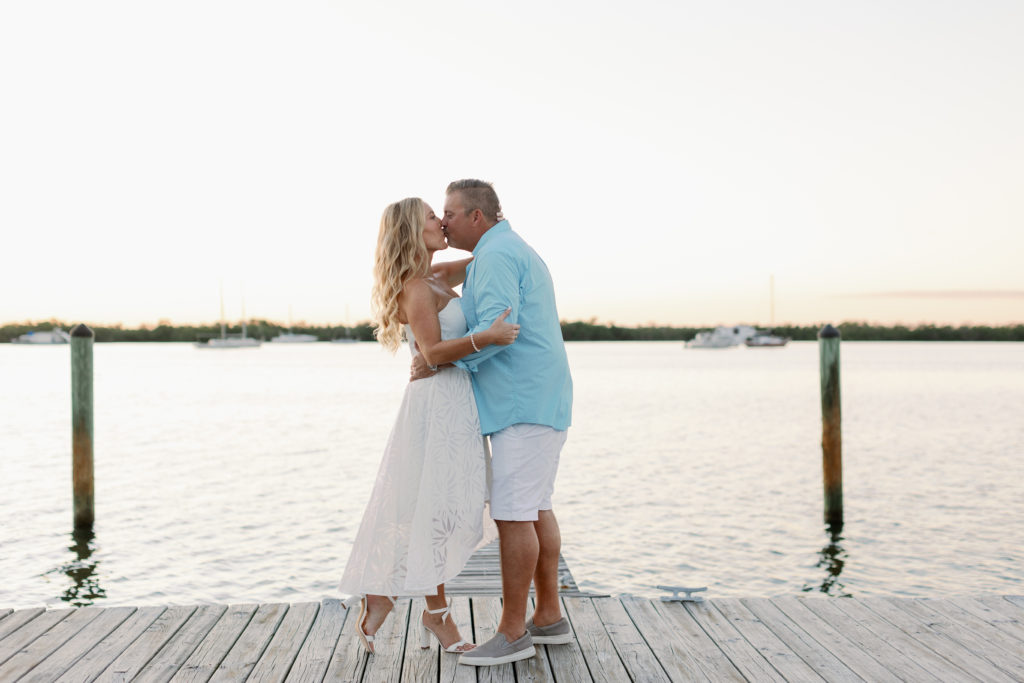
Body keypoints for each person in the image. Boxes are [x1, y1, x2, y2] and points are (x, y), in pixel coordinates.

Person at [339, 197, 520, 655]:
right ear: (410, 232)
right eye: (430, 218)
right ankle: (434, 613)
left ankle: (386, 597)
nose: (441, 222)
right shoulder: (414, 288)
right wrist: (488, 337)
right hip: (435, 403)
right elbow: (433, 353)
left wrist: (491, 216)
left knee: (451, 507)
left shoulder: (439, 275)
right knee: (431, 510)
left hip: (458, 402)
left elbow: (488, 251)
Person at [413, 179, 573, 666]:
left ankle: (512, 631)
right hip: (532, 399)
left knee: (513, 514)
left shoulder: (499, 256)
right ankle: (547, 617)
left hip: (523, 401)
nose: (443, 221)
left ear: (475, 217)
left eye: (450, 213)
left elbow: (501, 331)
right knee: (534, 506)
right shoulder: (496, 252)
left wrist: (443, 362)